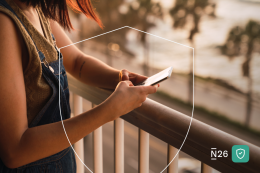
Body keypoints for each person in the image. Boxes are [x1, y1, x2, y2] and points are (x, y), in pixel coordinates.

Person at [0, 0, 158, 172]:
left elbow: (76, 61)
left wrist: (119, 77)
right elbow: (14, 151)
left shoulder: (38, 11)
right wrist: (110, 110)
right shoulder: (5, 23)